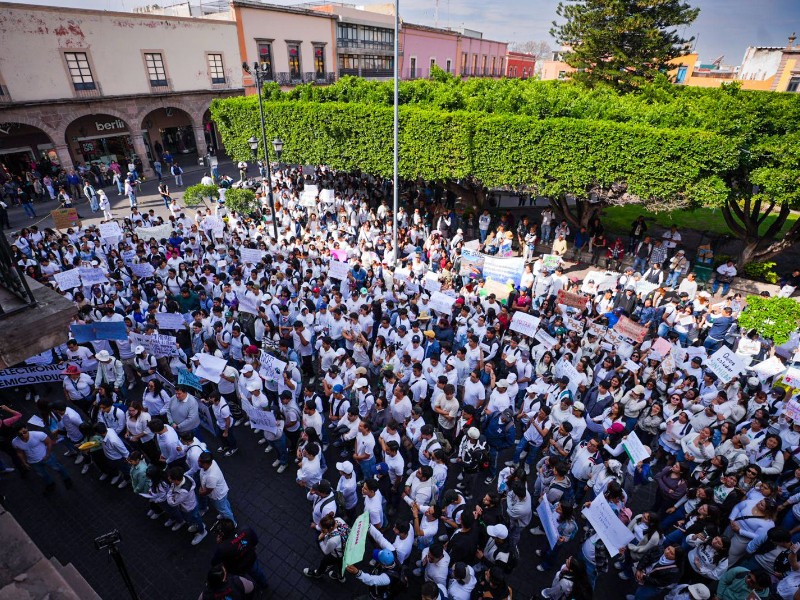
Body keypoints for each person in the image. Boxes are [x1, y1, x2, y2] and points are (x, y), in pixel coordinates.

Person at [12, 424, 73, 493]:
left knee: (58, 468)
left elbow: (49, 442)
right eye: (20, 435)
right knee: (43, 474)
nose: (23, 435)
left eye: (24, 432)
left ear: (26, 428)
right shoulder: (15, 442)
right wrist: (24, 463)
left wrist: (48, 454)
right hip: (33, 462)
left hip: (47, 457)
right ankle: (50, 484)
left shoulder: (38, 434)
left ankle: (67, 479)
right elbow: (19, 452)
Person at [211, 518, 269, 589]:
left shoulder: (223, 548)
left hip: (237, 568)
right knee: (257, 573)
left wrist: (220, 544)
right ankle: (264, 584)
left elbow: (214, 562)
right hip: (251, 560)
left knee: (242, 581)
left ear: (222, 535)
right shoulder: (246, 529)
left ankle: (248, 587)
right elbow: (255, 542)